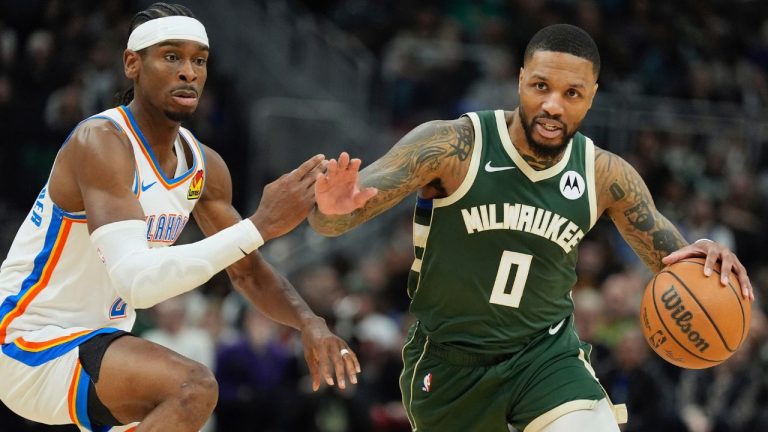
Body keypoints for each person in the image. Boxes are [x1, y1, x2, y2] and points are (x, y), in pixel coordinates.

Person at [309, 24, 754, 432]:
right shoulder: (453, 146)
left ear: (592, 96)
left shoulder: (604, 175)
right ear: (521, 80)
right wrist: (330, 210)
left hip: (545, 356)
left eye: (573, 93)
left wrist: (706, 256)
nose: (553, 105)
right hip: (449, 361)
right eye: (541, 86)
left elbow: (673, 263)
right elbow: (333, 219)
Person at [0, 3, 368, 431]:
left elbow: (246, 271)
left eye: (199, 60)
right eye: (172, 56)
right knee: (192, 386)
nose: (189, 72)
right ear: (132, 64)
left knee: (184, 398)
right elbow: (136, 283)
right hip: (30, 342)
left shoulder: (204, 166)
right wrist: (260, 224)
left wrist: (309, 321)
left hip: (101, 345)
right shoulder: (100, 142)